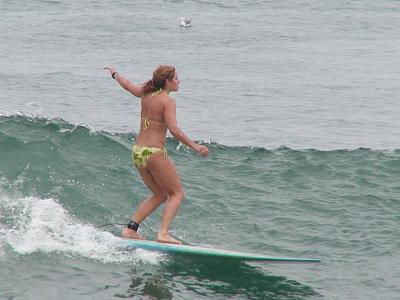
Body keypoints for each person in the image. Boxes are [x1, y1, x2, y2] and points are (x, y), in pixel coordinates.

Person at [104, 65, 209, 244]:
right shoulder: (167, 101)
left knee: (160, 194)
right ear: (167, 81)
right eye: (176, 78)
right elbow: (174, 130)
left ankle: (131, 229)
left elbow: (128, 85)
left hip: (138, 152)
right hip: (153, 152)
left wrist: (115, 74)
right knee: (177, 194)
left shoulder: (145, 93)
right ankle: (163, 233)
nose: (179, 81)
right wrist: (194, 146)